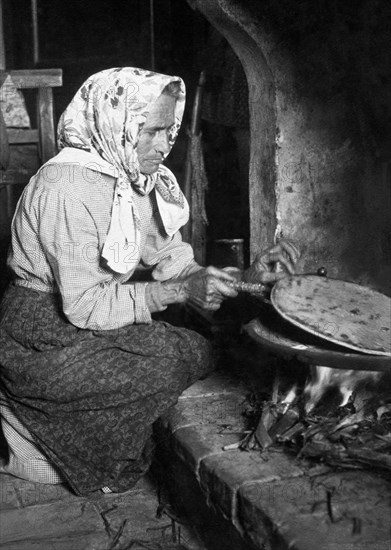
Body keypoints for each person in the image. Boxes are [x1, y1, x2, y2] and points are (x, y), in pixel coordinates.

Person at [0, 67, 299, 496]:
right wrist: (178, 292)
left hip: (89, 322)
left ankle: (46, 415)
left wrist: (249, 277)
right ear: (116, 124)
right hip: (40, 331)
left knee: (193, 350)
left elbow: (176, 265)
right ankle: (20, 411)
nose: (164, 145)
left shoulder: (134, 176)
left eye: (169, 129)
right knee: (162, 367)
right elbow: (83, 306)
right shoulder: (64, 185)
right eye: (152, 131)